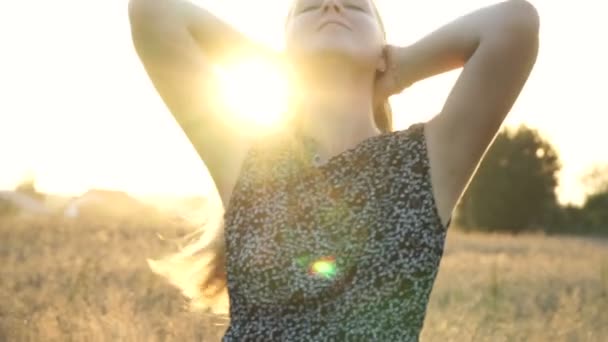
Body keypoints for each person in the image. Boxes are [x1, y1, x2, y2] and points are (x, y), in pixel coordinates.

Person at [128, 0, 539, 340]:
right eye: (309, 9)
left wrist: (399, 68)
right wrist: (288, 66)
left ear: (383, 48)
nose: (331, 5)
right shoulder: (249, 159)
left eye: (355, 6)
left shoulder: (426, 161)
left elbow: (515, 22)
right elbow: (153, 10)